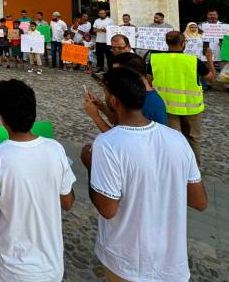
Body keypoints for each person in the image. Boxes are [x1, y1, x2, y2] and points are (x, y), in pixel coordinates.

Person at [80, 67, 207, 282]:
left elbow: (107, 209)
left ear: (114, 101)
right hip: (171, 260)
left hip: (126, 260)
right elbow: (199, 201)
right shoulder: (176, 139)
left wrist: (90, 164)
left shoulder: (107, 144)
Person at [0, 79, 75, 282]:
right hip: (51, 268)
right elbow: (67, 201)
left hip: (10, 269)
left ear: (2, 118)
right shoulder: (56, 149)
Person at [148, 31, 215, 165]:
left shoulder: (155, 59)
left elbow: (148, 81)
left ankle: (174, 166)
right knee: (192, 138)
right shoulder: (193, 61)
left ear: (167, 43)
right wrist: (209, 59)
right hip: (192, 108)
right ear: (183, 44)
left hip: (167, 106)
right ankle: (194, 168)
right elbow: (212, 79)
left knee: (171, 139)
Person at [85, 52, 168, 130]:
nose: (114, 77)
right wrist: (102, 107)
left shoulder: (144, 102)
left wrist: (96, 117)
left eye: (118, 73)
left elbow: (121, 140)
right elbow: (119, 122)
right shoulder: (138, 94)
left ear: (131, 74)